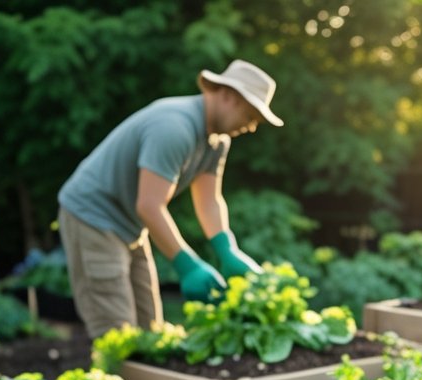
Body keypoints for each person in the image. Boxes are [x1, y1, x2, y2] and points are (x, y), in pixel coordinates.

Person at [57, 59, 283, 338]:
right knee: (116, 330)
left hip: (129, 224)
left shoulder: (217, 141)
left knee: (150, 326)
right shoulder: (174, 128)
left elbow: (209, 199)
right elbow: (149, 205)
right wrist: (187, 265)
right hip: (93, 216)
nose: (251, 128)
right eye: (250, 117)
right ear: (228, 96)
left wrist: (227, 249)